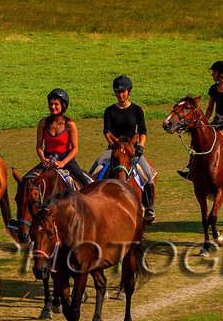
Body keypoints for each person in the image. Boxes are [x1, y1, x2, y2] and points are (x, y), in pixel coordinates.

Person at [97, 75, 155, 222]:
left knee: (148, 175)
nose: (121, 94)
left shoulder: (137, 110)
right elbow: (107, 132)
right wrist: (113, 145)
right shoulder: (109, 111)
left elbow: (142, 131)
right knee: (94, 170)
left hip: (131, 149)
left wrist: (140, 147)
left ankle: (149, 207)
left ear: (129, 92)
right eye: (118, 92)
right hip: (114, 148)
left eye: (123, 91)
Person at [36, 88, 90, 188]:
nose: (53, 107)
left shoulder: (70, 124)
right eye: (51, 104)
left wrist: (63, 162)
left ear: (63, 106)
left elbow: (75, 149)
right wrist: (43, 159)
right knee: (28, 180)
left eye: (56, 104)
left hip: (67, 160)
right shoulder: (43, 123)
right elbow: (39, 146)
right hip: (48, 160)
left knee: (85, 185)